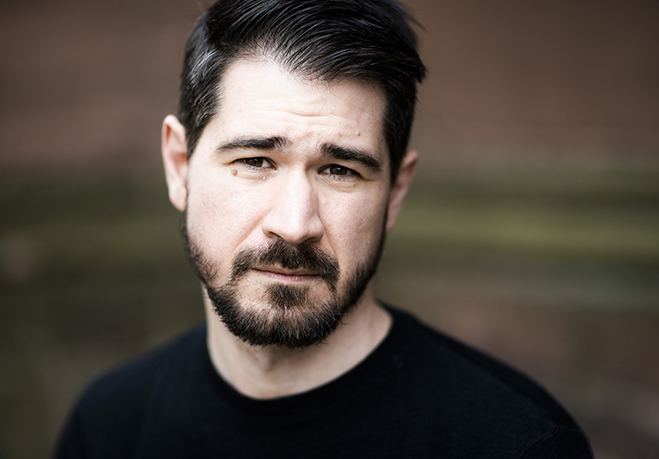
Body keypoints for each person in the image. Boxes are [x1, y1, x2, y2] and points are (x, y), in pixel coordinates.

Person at [55, 0, 593, 457]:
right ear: (179, 166)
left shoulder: (518, 443)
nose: (294, 226)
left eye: (340, 170)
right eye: (256, 161)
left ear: (395, 192)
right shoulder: (108, 426)